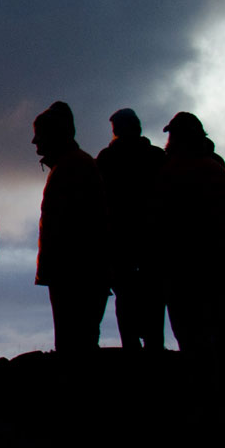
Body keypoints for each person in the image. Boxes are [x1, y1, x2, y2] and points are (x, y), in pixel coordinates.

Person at [31, 101, 110, 352]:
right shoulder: (74, 164)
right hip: (79, 272)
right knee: (78, 342)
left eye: (40, 135)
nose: (34, 142)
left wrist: (55, 268)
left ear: (54, 135)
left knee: (75, 345)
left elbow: (71, 227)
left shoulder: (71, 167)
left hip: (74, 273)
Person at [158, 112, 225, 354]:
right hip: (220, 261)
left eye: (172, 135)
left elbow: (168, 218)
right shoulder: (217, 167)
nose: (169, 140)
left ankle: (202, 384)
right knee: (218, 325)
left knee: (189, 330)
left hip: (186, 263)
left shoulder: (178, 170)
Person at [97, 108, 168, 351]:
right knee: (154, 299)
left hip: (120, 243)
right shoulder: (157, 157)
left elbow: (98, 203)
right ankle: (153, 350)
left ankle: (133, 352)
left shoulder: (106, 159)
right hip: (153, 242)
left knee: (126, 299)